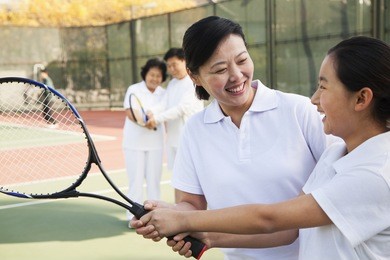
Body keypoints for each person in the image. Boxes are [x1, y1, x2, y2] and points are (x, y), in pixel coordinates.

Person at [139, 36, 390, 259]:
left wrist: (183, 220)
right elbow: (289, 230)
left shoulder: (376, 174)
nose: (314, 99)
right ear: (197, 77)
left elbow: (269, 218)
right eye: (220, 69)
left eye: (323, 87)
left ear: (361, 99)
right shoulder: (335, 156)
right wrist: (207, 235)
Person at [122, 58, 167, 227]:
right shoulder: (134, 89)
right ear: (145, 74)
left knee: (154, 181)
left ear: (162, 78)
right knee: (136, 181)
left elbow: (165, 111)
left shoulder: (164, 93)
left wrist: (152, 120)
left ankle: (157, 216)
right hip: (134, 144)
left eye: (158, 76)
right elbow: (129, 111)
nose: (154, 78)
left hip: (156, 144)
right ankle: (133, 217)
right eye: (151, 74)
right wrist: (143, 122)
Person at [145, 48, 204, 170]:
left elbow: (181, 109)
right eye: (169, 66)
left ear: (184, 61)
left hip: (189, 139)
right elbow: (163, 104)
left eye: (174, 65)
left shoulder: (194, 82)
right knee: (177, 178)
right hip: (172, 140)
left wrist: (156, 119)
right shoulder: (172, 83)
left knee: (192, 178)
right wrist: (151, 112)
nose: (171, 69)